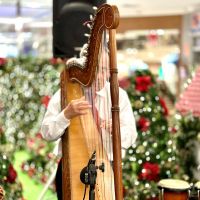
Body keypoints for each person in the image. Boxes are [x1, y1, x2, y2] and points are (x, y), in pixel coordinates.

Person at [41, 48, 137, 200]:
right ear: (86, 69)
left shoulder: (119, 96)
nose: (101, 76)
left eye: (106, 70)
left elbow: (131, 136)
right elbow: (46, 133)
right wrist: (66, 115)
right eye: (97, 70)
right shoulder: (65, 94)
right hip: (71, 167)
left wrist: (116, 130)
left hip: (108, 167)